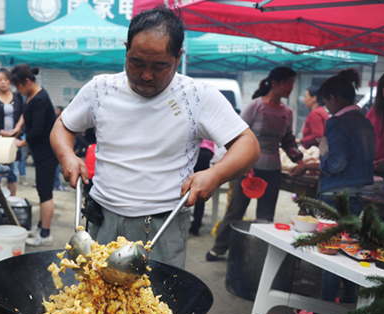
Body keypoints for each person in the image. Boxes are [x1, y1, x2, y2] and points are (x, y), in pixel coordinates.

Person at [50, 6, 259, 268]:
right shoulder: (100, 89)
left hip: (162, 227)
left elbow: (248, 145)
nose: (146, 75)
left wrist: (215, 175)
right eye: (136, 62)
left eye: (160, 66)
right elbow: (63, 126)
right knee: (93, 301)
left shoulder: (197, 96)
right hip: (101, 219)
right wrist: (67, 155)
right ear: (126, 49)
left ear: (178, 56)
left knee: (156, 304)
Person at [290, 69, 376, 314]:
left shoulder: (337, 122)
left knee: (330, 249)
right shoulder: (365, 121)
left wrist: (314, 164)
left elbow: (336, 163)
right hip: (357, 195)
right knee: (348, 247)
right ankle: (348, 298)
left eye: (326, 102)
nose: (326, 108)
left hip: (335, 195)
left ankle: (323, 309)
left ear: (332, 99)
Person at [207, 67, 303, 262]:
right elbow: (235, 136)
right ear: (274, 83)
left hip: (272, 171)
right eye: (288, 82)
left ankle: (258, 255)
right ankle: (219, 248)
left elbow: (288, 140)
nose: (291, 87)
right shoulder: (255, 106)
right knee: (236, 210)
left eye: (292, 83)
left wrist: (299, 160)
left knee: (265, 217)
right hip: (248, 169)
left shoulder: (288, 112)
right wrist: (243, 163)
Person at [10, 64, 58, 246]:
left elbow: (37, 129)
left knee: (46, 193)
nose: (18, 90)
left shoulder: (41, 99)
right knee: (41, 190)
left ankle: (45, 235)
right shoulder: (31, 96)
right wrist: (17, 129)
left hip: (47, 152)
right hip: (40, 152)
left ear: (28, 82)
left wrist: (22, 142)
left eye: (19, 86)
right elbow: (25, 115)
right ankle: (40, 227)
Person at [0, 68, 24, 196]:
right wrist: (1, 132)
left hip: (14, 140)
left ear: (10, 81)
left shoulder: (18, 97)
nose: (3, 82)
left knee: (13, 172)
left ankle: (12, 201)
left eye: (5, 79)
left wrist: (17, 131)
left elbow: (25, 117)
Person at [189, 140, 215, 236]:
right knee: (200, 190)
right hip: (206, 153)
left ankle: (182, 221)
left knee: (186, 187)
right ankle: (196, 226)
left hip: (195, 150)